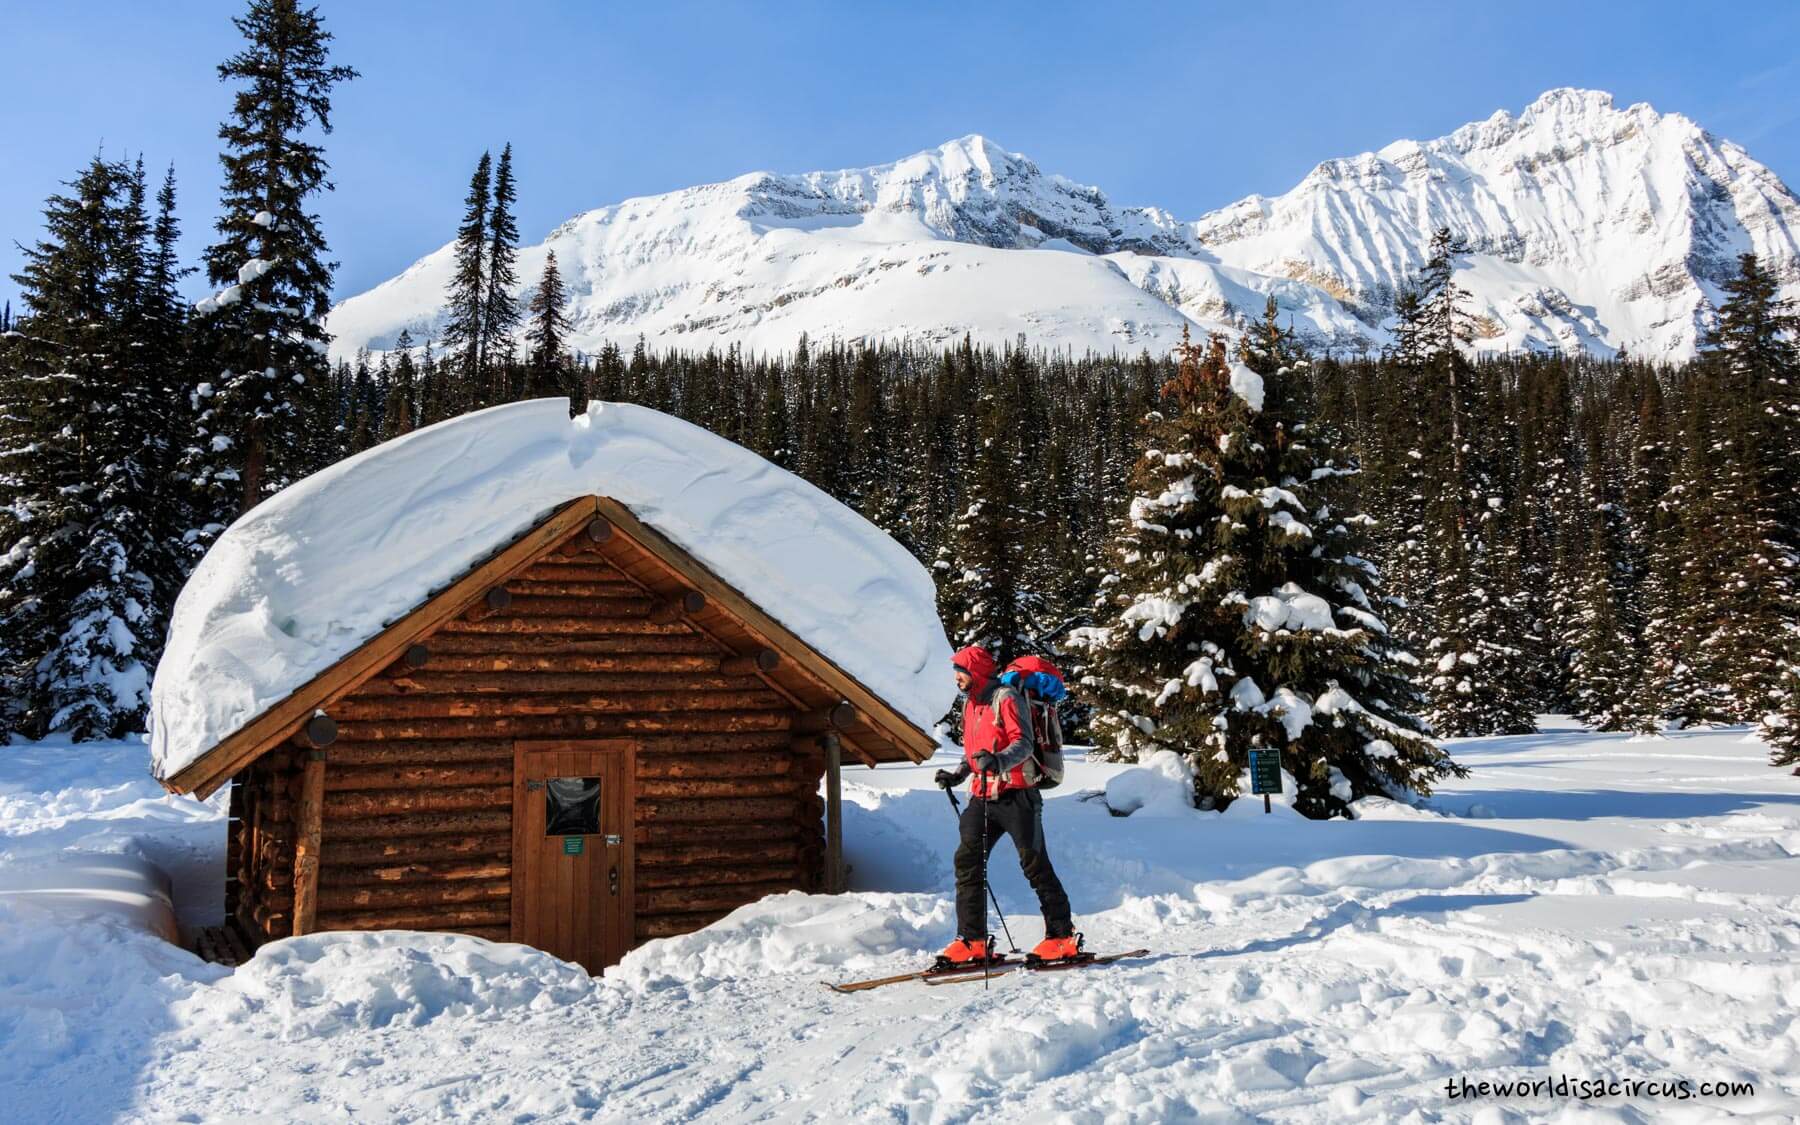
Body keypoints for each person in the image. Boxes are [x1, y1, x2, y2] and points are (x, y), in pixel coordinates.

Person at [935, 644, 1078, 964]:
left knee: (1035, 864)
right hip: (982, 796)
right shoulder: (971, 705)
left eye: (960, 671)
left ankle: (1062, 936)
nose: (956, 678)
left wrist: (997, 762)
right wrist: (957, 774)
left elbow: (1024, 744)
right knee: (967, 862)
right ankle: (972, 941)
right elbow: (974, 750)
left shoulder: (1006, 698)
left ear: (976, 672)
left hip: (1018, 795)